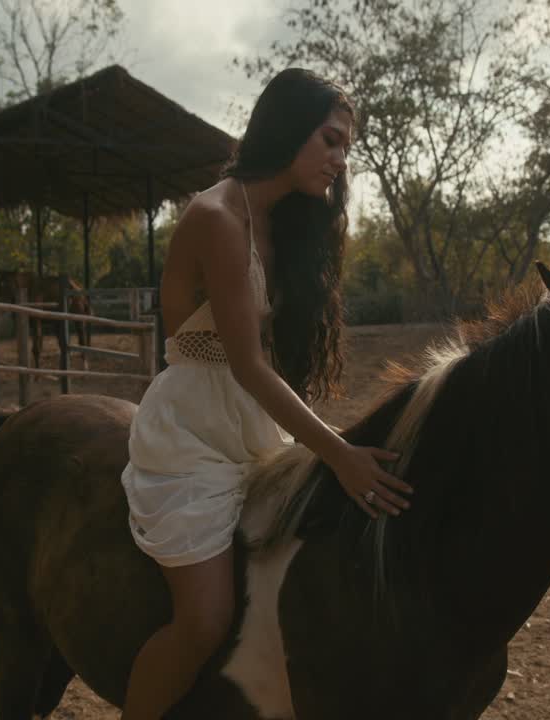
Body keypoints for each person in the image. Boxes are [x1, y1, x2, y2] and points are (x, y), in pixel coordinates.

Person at [118, 68, 414, 719]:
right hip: (193, 437)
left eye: (346, 148)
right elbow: (248, 368)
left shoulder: (289, 223)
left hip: (252, 432)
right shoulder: (216, 217)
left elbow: (268, 371)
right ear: (287, 128)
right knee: (204, 620)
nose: (340, 161)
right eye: (331, 140)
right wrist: (340, 452)